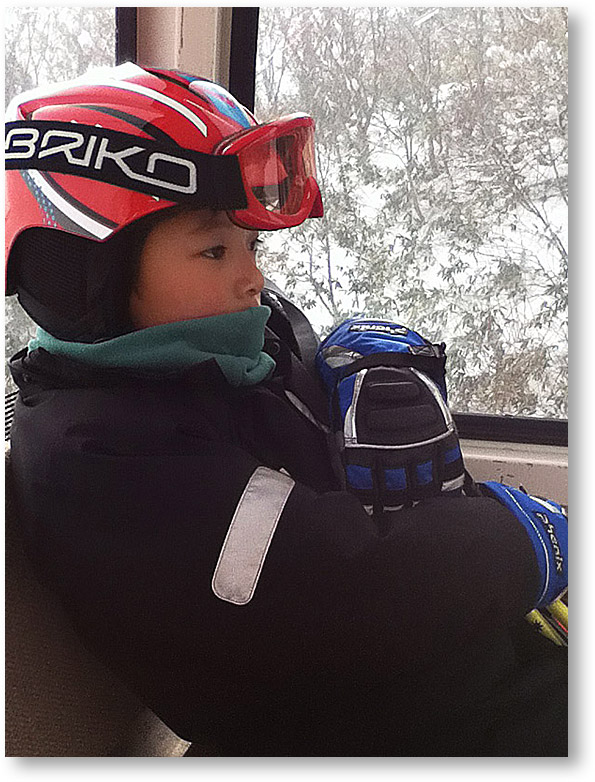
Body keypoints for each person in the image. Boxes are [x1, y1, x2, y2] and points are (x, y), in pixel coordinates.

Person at [5, 63, 567, 757]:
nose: (253, 278)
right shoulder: (99, 461)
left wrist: (360, 401)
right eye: (214, 249)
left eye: (253, 245)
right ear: (80, 271)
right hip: (351, 727)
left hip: (431, 678)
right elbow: (341, 590)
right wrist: (516, 546)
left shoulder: (218, 355)